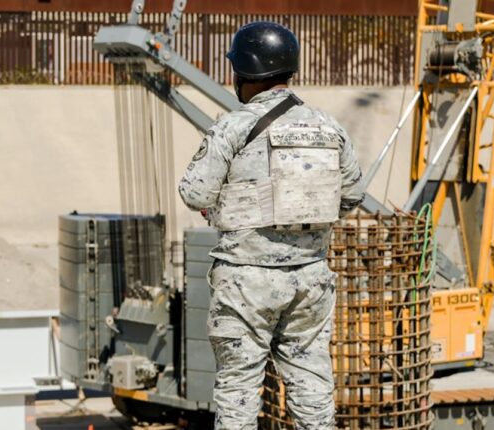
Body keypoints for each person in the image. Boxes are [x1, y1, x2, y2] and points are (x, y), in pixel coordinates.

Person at [178, 22, 364, 429]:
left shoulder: (233, 126)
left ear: (242, 74)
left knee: (239, 389)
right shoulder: (328, 127)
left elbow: (194, 193)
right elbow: (351, 195)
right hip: (310, 278)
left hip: (246, 281)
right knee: (312, 383)